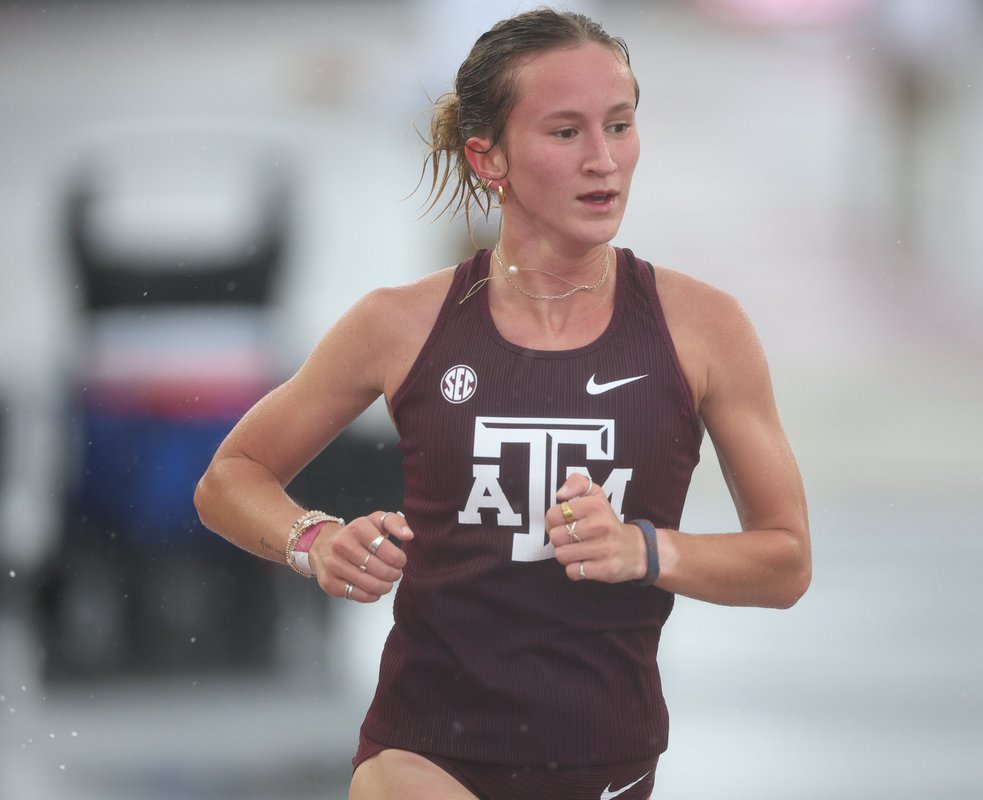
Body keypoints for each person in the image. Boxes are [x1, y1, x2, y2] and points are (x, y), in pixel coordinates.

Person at [194, 9, 810, 799]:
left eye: (619, 125)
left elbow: (786, 560)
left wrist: (647, 552)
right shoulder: (401, 324)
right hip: (423, 751)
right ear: (489, 158)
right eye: (564, 132)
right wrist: (314, 539)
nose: (603, 160)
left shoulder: (703, 328)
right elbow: (230, 477)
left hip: (610, 766)